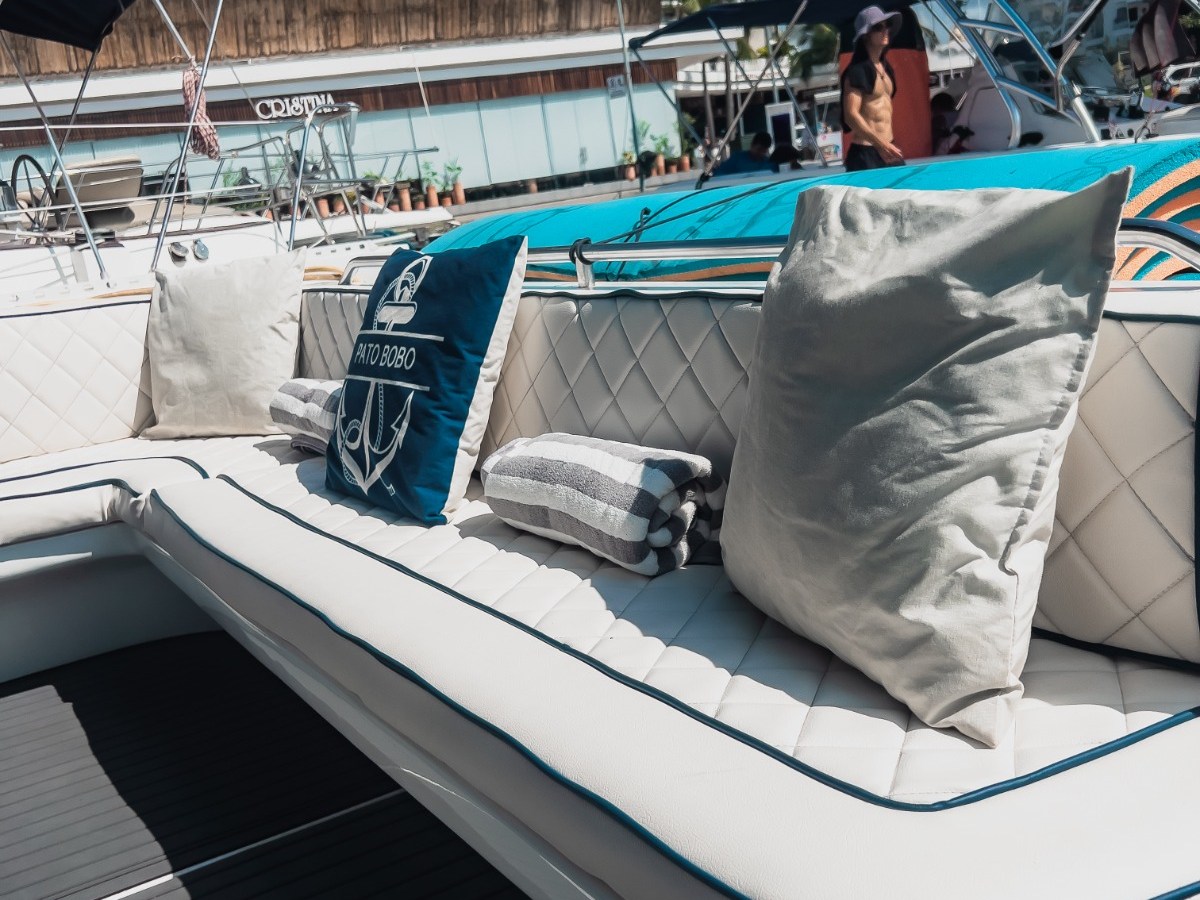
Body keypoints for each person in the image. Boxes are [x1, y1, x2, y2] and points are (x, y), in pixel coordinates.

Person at [840, 5, 904, 171]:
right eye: (878, 27)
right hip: (866, 153)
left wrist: (884, 145)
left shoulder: (885, 67)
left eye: (887, 25)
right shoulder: (857, 70)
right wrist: (880, 144)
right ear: (866, 35)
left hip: (888, 147)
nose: (885, 30)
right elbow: (850, 115)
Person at [711, 132, 778, 177]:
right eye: (759, 149)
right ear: (752, 145)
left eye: (764, 151)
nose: (760, 153)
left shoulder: (769, 165)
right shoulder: (737, 159)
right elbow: (718, 174)